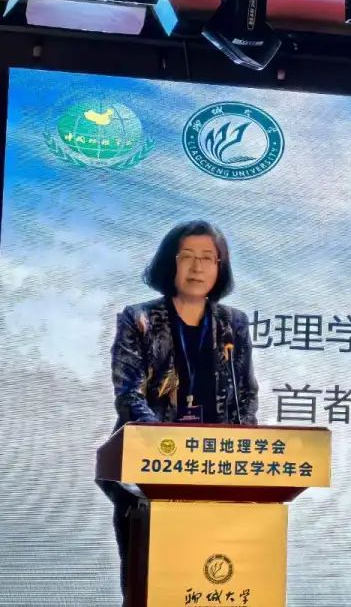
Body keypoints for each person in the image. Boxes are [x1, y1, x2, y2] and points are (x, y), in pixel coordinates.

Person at [100, 220, 259, 604]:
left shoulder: (233, 324)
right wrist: (169, 447)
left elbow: (246, 394)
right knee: (150, 587)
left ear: (220, 267)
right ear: (169, 262)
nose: (197, 267)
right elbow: (129, 393)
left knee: (212, 583)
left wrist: (246, 450)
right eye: (186, 256)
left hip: (217, 475)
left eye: (207, 258)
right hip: (150, 475)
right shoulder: (138, 318)